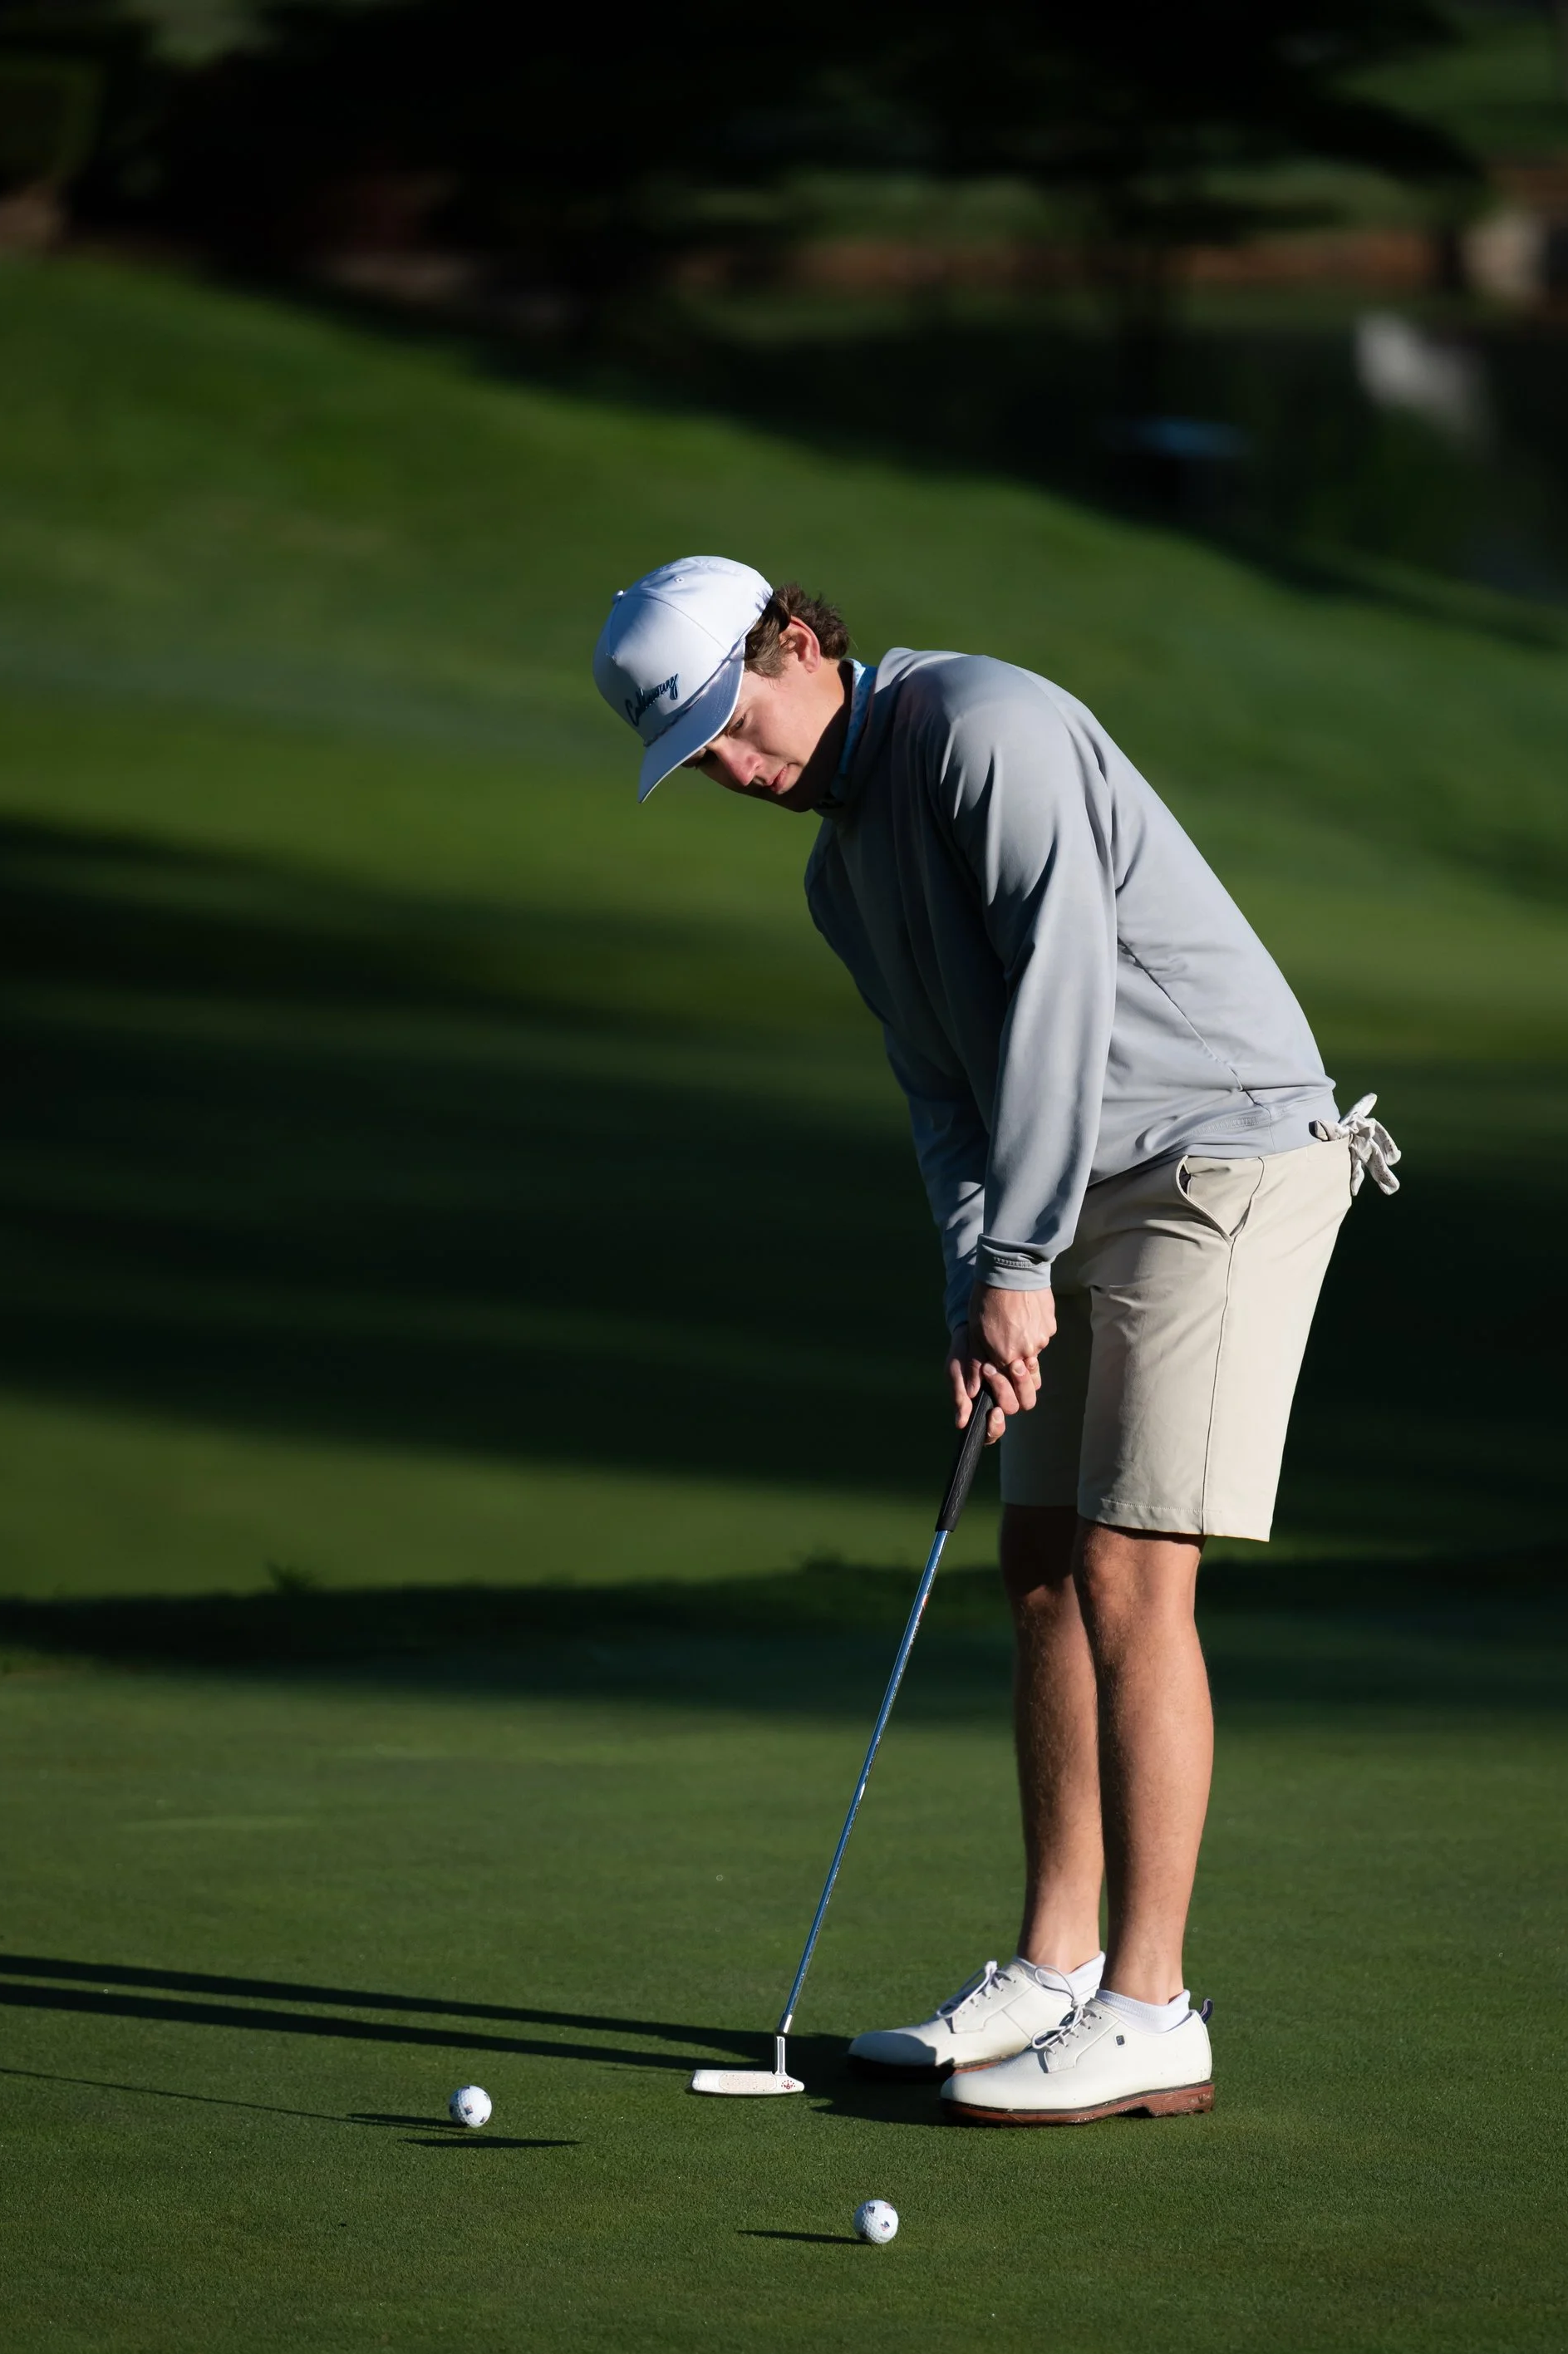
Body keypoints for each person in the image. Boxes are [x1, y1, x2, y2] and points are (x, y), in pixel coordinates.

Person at [593, 557, 1398, 2126]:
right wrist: (977, 1275)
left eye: (729, 725)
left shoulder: (983, 728)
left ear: (805, 646)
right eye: (694, 755)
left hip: (1221, 1155)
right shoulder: (840, 874)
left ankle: (1154, 2009)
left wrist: (1020, 1250)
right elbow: (942, 1089)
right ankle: (1053, 1965)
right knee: (1035, 1560)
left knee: (1126, 1569)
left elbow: (1062, 995)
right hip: (1076, 1184)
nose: (727, 770)